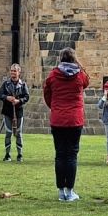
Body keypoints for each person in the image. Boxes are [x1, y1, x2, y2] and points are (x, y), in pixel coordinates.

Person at [43, 48, 88, 202]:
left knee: (60, 154)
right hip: (75, 119)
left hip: (58, 119)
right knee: (71, 155)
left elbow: (47, 93)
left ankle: (61, 191)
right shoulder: (79, 75)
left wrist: (55, 107)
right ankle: (70, 190)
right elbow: (86, 81)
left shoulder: (53, 75)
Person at [0, 64, 29, 161]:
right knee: (8, 132)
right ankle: (7, 155)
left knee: (19, 133)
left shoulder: (23, 84)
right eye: (11, 71)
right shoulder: (5, 84)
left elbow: (26, 97)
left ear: (19, 72)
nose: (13, 73)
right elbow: (0, 94)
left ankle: (20, 154)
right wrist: (7, 98)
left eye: (15, 71)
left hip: (18, 111)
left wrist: (18, 101)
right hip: (7, 111)